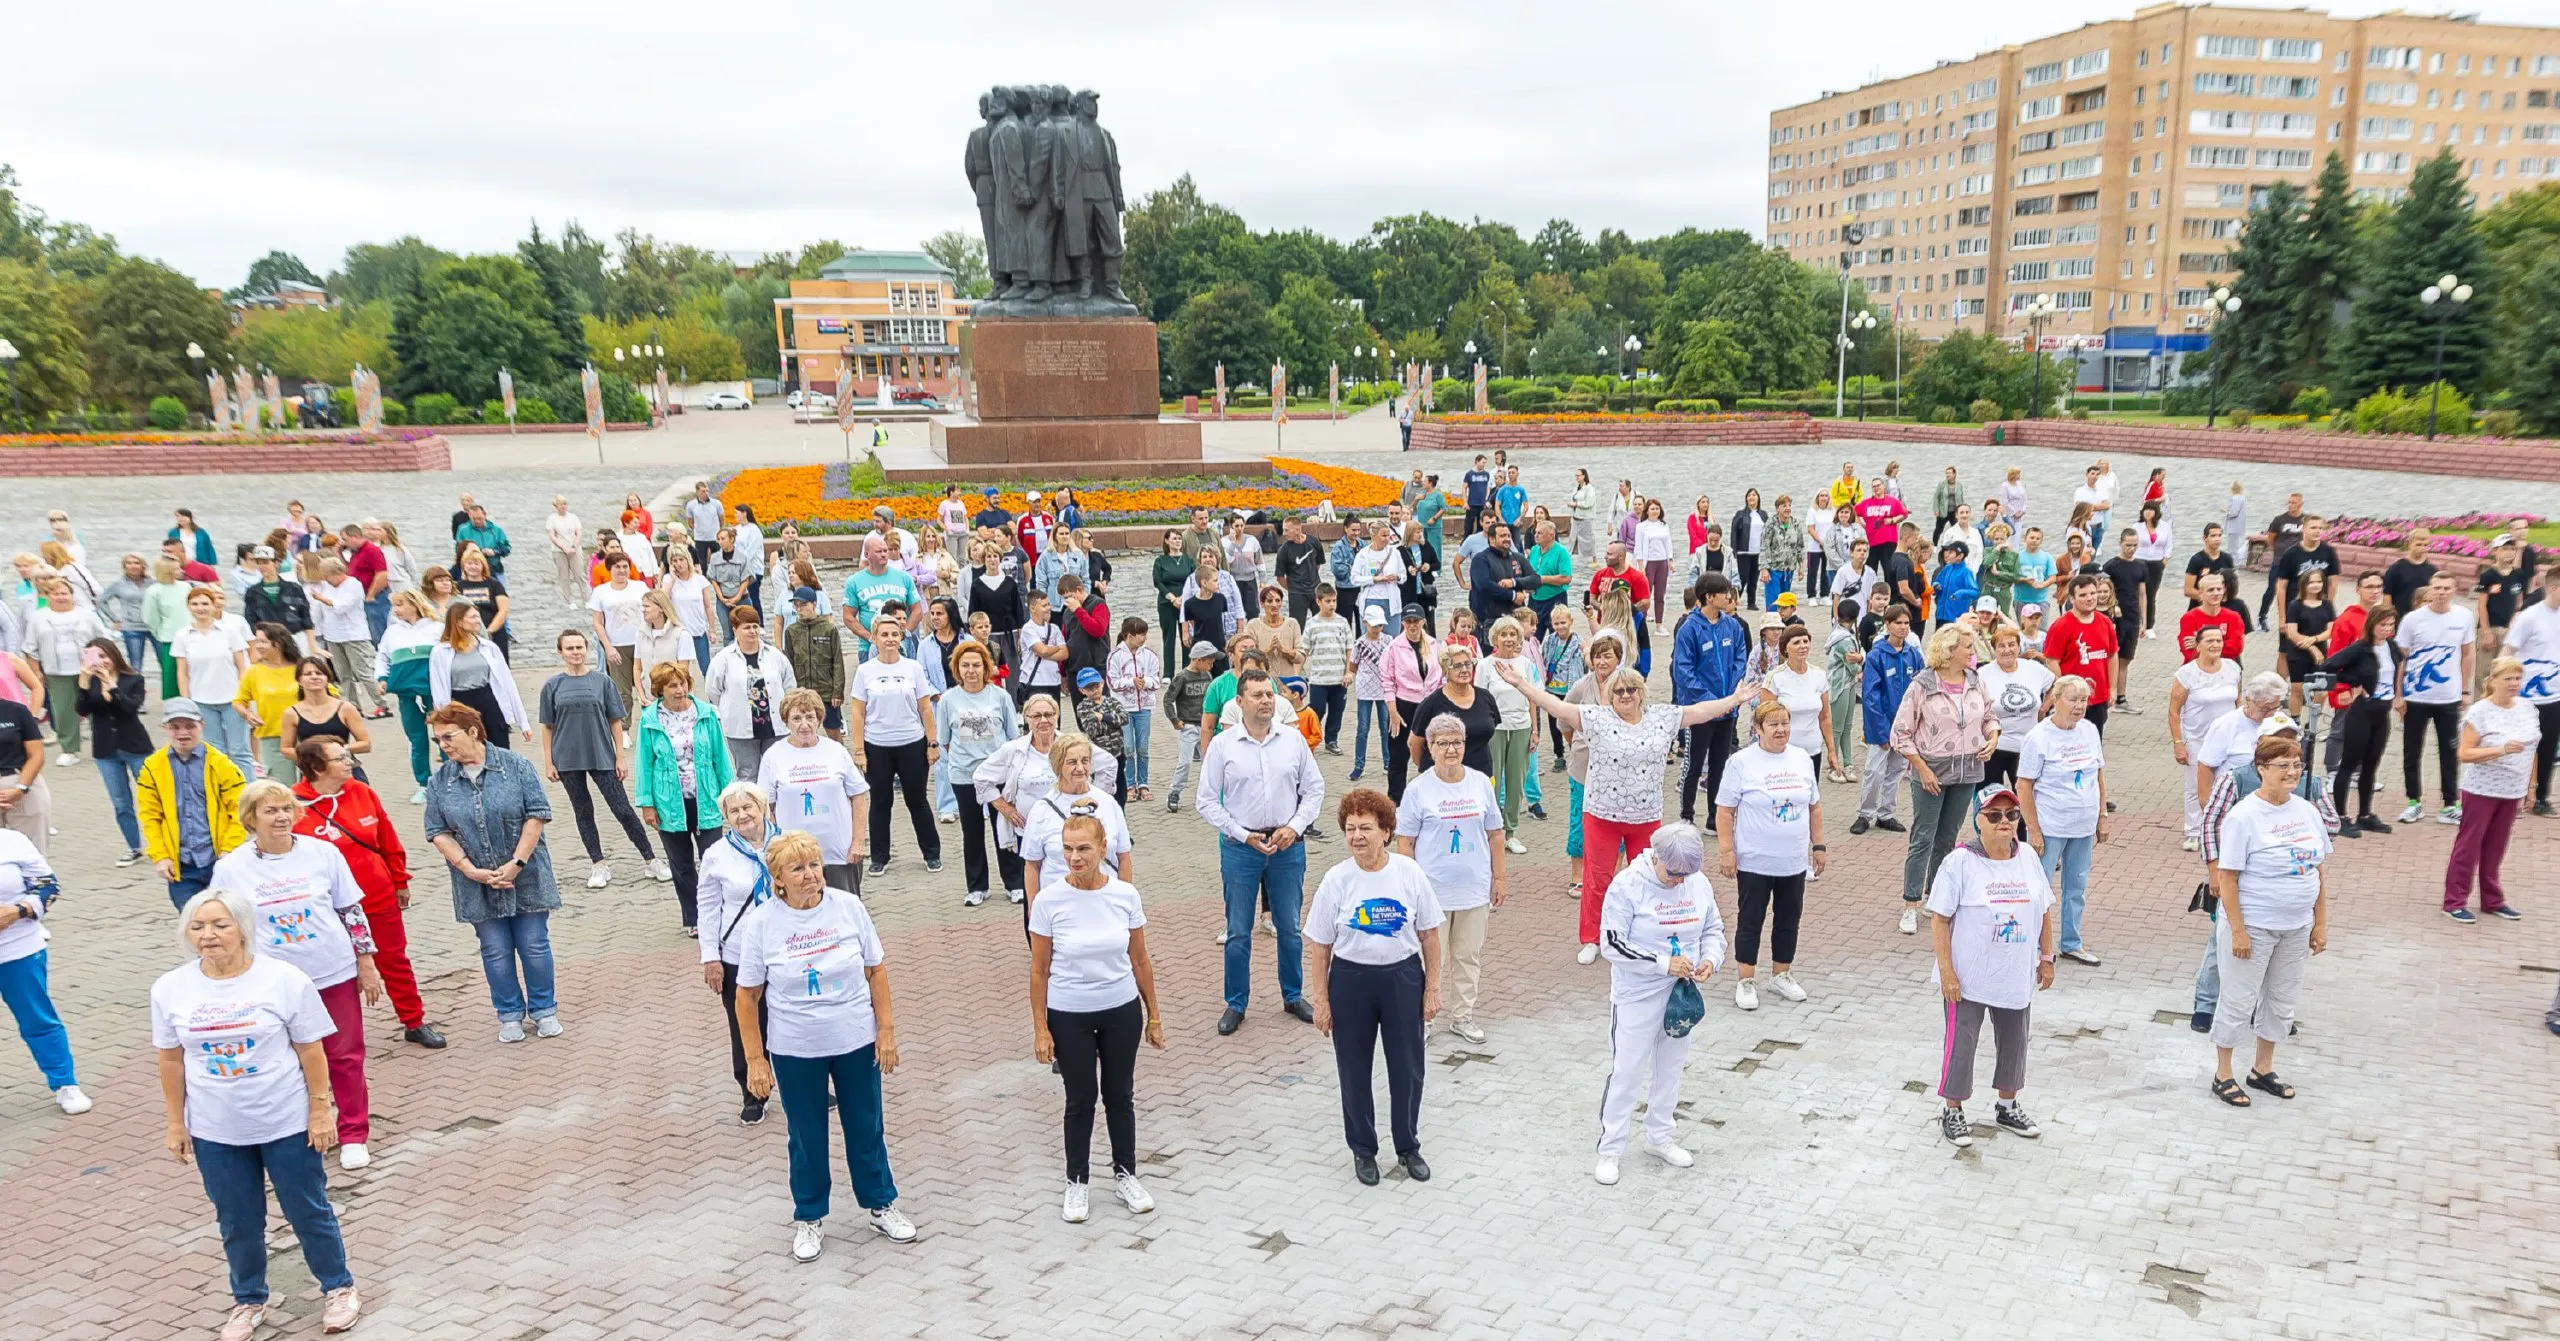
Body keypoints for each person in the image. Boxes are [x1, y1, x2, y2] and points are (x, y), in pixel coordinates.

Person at [154, 887, 364, 1340]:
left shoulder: (284, 979)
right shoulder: (170, 988)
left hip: (285, 1120)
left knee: (307, 1209)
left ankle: (338, 1286)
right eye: (198, 927)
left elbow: (312, 1050)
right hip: (216, 1128)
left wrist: (320, 1111)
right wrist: (176, 1122)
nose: (208, 936)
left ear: (244, 930)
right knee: (237, 1218)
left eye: (220, 925)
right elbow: (170, 1059)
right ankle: (249, 1299)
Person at [732, 829, 917, 1262]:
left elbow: (876, 970)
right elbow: (747, 996)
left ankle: (880, 1204)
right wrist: (755, 1060)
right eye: (797, 868)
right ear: (777, 878)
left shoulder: (848, 907)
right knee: (806, 1135)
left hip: (854, 1039)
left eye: (814, 865)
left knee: (866, 1126)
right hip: (795, 1048)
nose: (810, 874)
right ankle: (810, 1216)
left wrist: (885, 1030)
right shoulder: (762, 923)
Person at [213, 778, 386, 1167]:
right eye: (270, 811)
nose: (281, 817)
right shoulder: (230, 869)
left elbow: (350, 911)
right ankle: (301, 1126)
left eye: (287, 809)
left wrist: (366, 961)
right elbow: (225, 926)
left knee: (344, 1055)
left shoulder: (323, 853)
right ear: (250, 818)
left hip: (332, 970)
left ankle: (354, 1131)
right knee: (285, 1058)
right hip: (273, 981)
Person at [1029, 812, 1164, 1223]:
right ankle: (1077, 1181)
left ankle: (1126, 1174)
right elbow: (1039, 969)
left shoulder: (1124, 895)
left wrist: (1153, 1013)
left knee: (1120, 1096)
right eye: (1067, 849)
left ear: (1103, 848)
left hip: (1121, 1009)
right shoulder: (1049, 900)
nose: (1074, 857)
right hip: (1069, 1013)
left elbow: (1139, 958)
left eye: (1083, 848)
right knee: (1080, 1098)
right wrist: (1040, 1028)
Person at [1305, 787, 1442, 1186]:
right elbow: (1320, 947)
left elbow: (1430, 936)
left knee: (1408, 1068)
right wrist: (1322, 1000)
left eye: (1366, 827)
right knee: (1353, 1068)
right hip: (1351, 981)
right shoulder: (1336, 880)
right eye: (1350, 828)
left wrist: (1432, 988)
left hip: (1402, 978)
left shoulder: (1408, 873)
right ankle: (1363, 1150)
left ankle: (1407, 1146)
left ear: (1386, 831)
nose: (1357, 836)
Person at [1589, 821, 1721, 1184]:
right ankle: (1610, 1148)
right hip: (1637, 995)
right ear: (1656, 859)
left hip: (1680, 995)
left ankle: (1660, 1137)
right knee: (1627, 1071)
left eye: (1687, 875)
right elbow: (1611, 944)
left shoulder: (1697, 882)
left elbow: (1713, 929)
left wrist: (1711, 959)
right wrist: (1663, 964)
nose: (1680, 881)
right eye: (1674, 874)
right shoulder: (1628, 886)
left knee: (1671, 1068)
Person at [420, 702, 561, 1041]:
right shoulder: (441, 781)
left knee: (534, 945)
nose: (443, 745)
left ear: (472, 732)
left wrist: (516, 862)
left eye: (448, 737)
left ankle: (544, 1010)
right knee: (494, 948)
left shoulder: (515, 766)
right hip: (476, 881)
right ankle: (509, 1014)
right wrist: (469, 870)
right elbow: (437, 831)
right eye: (438, 740)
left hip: (525, 874)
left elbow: (537, 815)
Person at [1926, 786, 2055, 1146]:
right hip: (1968, 975)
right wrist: (1947, 971)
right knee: (1962, 1042)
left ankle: (2007, 1105)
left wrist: (2046, 957)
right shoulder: (1960, 862)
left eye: (2011, 815)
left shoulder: (2027, 856)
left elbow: (2044, 909)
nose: (2004, 822)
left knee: (2015, 1039)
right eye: (1994, 815)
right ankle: (1952, 1110)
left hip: (2014, 970)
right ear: (1978, 821)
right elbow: (1939, 919)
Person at [292, 736, 440, 1049]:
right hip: (325, 909)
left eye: (348, 755)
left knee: (394, 961)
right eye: (340, 758)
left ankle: (414, 1021)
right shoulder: (293, 806)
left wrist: (400, 880)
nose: (350, 762)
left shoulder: (362, 791)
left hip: (376, 895)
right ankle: (337, 1033)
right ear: (317, 768)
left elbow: (387, 838)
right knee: (336, 971)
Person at [2208, 736, 2329, 1107]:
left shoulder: (2306, 811)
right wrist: (2239, 930)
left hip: (2295, 926)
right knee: (2239, 999)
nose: (2291, 773)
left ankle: (2263, 1068)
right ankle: (2223, 1073)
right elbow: (2227, 878)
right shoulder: (2244, 816)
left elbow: (2319, 869)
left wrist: (2319, 923)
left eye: (2296, 765)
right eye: (2283, 766)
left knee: (2282, 1000)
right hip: (2254, 925)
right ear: (2261, 769)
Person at [1394, 715, 1504, 1044]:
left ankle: (1462, 1016)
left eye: (1456, 742)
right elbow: (1405, 843)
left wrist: (1499, 877)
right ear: (1430, 747)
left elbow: (1496, 834)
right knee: (1429, 959)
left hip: (1473, 888)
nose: (1451, 749)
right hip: (1432, 892)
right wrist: (1409, 887)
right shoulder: (1418, 790)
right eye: (1442, 743)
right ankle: (1424, 1017)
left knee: (1468, 956)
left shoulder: (1480, 782)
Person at [1892, 623, 2000, 936]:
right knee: (1923, 836)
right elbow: (1901, 733)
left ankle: (1935, 899)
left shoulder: (1976, 680)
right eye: (1968, 646)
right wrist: (1921, 769)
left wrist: (1992, 737)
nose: (1973, 651)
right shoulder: (1922, 684)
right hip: (1932, 771)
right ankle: (1910, 904)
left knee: (1947, 838)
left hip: (1968, 770)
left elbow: (1990, 717)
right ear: (1949, 650)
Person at [1715, 699, 1822, 1011]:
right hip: (1755, 860)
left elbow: (1814, 806)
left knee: (1789, 918)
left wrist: (1820, 846)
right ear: (1758, 729)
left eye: (1785, 723)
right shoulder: (1742, 762)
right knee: (1751, 919)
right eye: (1773, 724)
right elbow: (1724, 811)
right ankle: (1746, 980)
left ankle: (1781, 973)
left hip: (1793, 860)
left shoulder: (1801, 758)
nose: (1781, 730)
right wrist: (1726, 851)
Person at [695, 783, 780, 1123]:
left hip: (785, 950)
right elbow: (708, 908)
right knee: (745, 1023)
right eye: (734, 811)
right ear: (726, 818)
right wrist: (710, 957)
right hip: (738, 953)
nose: (743, 815)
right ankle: (753, 1092)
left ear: (763, 808)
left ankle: (803, 1084)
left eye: (749, 807)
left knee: (793, 1020)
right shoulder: (717, 854)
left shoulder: (787, 843)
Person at [630, 661, 733, 933]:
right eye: (672, 686)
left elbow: (720, 757)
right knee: (682, 865)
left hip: (706, 797)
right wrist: (647, 803)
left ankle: (720, 914)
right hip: (669, 801)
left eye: (683, 683)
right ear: (659, 690)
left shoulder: (707, 714)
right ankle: (694, 918)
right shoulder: (650, 720)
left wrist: (731, 794)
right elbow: (644, 764)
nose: (679, 690)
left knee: (714, 860)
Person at [2016, 675, 2107, 967]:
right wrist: (2034, 830)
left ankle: (2071, 943)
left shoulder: (2090, 730)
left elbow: (2098, 774)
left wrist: (2102, 815)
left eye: (2084, 700)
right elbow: (2024, 785)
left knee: (2076, 886)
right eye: (2073, 699)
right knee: (2040, 888)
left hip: (2082, 825)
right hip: (2051, 825)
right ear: (2055, 700)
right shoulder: (2039, 737)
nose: (2080, 706)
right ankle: (2034, 946)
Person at [847, 607, 942, 877]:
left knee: (917, 800)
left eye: (894, 634)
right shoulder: (865, 671)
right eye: (883, 634)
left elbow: (925, 708)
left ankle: (932, 853)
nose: (889, 638)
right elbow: (857, 712)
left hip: (912, 743)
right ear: (874, 638)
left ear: (901, 637)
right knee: (880, 802)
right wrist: (859, 750)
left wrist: (932, 743)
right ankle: (879, 856)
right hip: (877, 746)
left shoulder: (913, 668)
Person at [2445, 656, 2535, 922]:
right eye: (2507, 678)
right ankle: (2454, 901)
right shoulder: (2480, 711)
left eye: (2517, 678)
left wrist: (2532, 786)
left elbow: (2533, 747)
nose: (2514, 684)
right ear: (2492, 681)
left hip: (2512, 790)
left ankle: (2492, 900)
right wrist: (2501, 749)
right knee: (2469, 846)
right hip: (2482, 789)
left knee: (2496, 847)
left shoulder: (2527, 707)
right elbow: (2465, 753)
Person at [139, 697, 249, 911]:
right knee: (193, 925)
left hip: (219, 862)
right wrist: (160, 857)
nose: (183, 733)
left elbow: (239, 811)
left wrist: (229, 850)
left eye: (190, 726)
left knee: (227, 922)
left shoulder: (222, 765)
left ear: (202, 725)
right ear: (165, 728)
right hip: (182, 866)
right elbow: (150, 816)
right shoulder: (152, 767)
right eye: (175, 727)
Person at [942, 640, 1022, 905]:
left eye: (976, 665)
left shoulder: (1000, 697)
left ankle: (1015, 883)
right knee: (972, 831)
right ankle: (977, 886)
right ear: (957, 668)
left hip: (998, 775)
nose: (971, 670)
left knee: (1005, 827)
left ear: (986, 667)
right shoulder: (948, 699)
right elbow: (945, 739)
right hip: (964, 775)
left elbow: (1013, 736)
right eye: (965, 665)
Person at [2397, 572, 2477, 826]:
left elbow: (2467, 654)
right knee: (2412, 750)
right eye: (2436, 587)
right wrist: (2399, 695)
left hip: (2448, 697)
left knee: (2449, 751)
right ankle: (2413, 802)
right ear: (2429, 589)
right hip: (2416, 696)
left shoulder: (2464, 616)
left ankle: (2449, 804)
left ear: (2455, 590)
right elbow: (2401, 659)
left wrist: (2465, 691)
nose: (2441, 592)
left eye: (2446, 588)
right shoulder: (2412, 619)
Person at [1015, 731, 1133, 903]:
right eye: (1071, 762)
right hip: (1059, 905)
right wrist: (1033, 911)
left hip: (1106, 903)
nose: (1080, 768)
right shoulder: (1041, 809)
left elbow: (1123, 857)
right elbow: (1032, 865)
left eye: (1085, 761)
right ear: (1057, 766)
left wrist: (1126, 903)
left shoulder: (1108, 803)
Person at [1673, 574, 1751, 827]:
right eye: (1724, 593)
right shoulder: (1689, 629)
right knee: (1694, 764)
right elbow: (1683, 672)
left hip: (1728, 710)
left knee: (1720, 764)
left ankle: (1713, 818)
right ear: (1709, 597)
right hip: (1700, 712)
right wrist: (1709, 703)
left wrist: (1730, 697)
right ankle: (1686, 816)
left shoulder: (1732, 626)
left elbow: (1741, 659)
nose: (1729, 597)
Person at [2169, 625, 2242, 849]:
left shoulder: (2232, 668)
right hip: (2197, 738)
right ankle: (2193, 831)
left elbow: (2238, 701)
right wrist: (2179, 743)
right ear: (2198, 645)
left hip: (2228, 739)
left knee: (2229, 784)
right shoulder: (2186, 674)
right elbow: (2174, 710)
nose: (2215, 645)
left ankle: (2226, 827)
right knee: (2196, 786)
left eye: (2219, 640)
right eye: (2209, 641)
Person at [1854, 605, 1923, 836]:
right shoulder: (1876, 656)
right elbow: (1871, 697)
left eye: (1906, 623)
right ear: (1887, 624)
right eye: (1898, 623)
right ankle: (1865, 813)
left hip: (1905, 728)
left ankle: (1886, 814)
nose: (1902, 628)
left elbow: (1921, 690)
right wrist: (1882, 731)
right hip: (1882, 726)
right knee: (1874, 771)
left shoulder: (1913, 654)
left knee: (1897, 769)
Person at [426, 601, 526, 754]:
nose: (478, 621)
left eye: (477, 617)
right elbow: (438, 690)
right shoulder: (440, 652)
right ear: (459, 622)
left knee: (499, 750)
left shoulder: (488, 647)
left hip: (488, 700)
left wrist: (523, 722)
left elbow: (507, 684)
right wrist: (443, 722)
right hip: (459, 703)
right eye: (472, 617)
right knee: (467, 751)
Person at [707, 607, 796, 778]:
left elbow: (789, 685)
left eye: (755, 626)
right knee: (747, 774)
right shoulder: (723, 659)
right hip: (741, 729)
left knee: (778, 773)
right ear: (735, 630)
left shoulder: (775, 656)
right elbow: (713, 690)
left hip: (775, 727)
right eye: (747, 627)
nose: (752, 631)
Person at [2506, 577, 2560, 818]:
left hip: (2554, 696)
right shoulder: (2529, 616)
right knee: (2520, 746)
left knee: (2548, 748)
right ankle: (2511, 797)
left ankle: (2540, 799)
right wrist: (2503, 683)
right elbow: (2509, 649)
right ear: (2553, 588)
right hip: (2527, 696)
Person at [278, 656, 373, 787]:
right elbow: (285, 749)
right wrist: (311, 757)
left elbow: (365, 744)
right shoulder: (292, 713)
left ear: (327, 678)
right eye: (308, 674)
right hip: (313, 773)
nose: (314, 677)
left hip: (346, 770)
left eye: (319, 673)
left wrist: (338, 751)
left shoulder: (345, 708)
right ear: (299, 680)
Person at [1978, 623, 2051, 792]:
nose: (2007, 650)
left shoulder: (2034, 669)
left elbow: (2055, 685)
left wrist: (2044, 708)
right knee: (1990, 800)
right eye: (2001, 646)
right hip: (1994, 749)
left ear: (2019, 646)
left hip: (2027, 747)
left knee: (2027, 799)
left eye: (2011, 645)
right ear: (1994, 649)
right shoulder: (1983, 674)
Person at [1380, 607, 1443, 802]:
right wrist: (1393, 712)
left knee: (1431, 753)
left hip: (1430, 703)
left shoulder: (1434, 645)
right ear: (1403, 623)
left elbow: (1442, 677)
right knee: (1398, 757)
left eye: (1416, 621)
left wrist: (1442, 705)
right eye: (1409, 621)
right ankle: (1395, 802)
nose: (1413, 625)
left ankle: (1431, 797)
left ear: (1423, 621)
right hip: (1404, 704)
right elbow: (1387, 680)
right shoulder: (1393, 647)